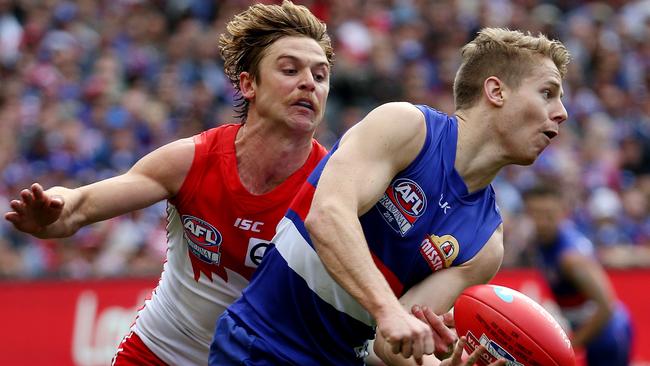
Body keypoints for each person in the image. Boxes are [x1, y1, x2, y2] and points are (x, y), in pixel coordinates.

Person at [209, 27, 571, 366]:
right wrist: (388, 310)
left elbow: (390, 341)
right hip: (257, 346)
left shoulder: (486, 244)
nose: (563, 112)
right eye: (547, 92)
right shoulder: (407, 128)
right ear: (497, 92)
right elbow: (328, 216)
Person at [4, 1, 333, 365]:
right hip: (162, 352)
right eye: (290, 70)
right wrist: (54, 211)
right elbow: (79, 205)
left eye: (320, 76)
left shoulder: (334, 185)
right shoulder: (191, 160)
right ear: (248, 84)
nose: (308, 83)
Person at [522, 184, 634, 366]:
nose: (541, 221)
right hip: (586, 327)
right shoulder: (538, 243)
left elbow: (606, 306)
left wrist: (569, 347)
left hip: (608, 333)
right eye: (535, 214)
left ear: (561, 212)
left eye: (548, 214)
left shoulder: (571, 258)